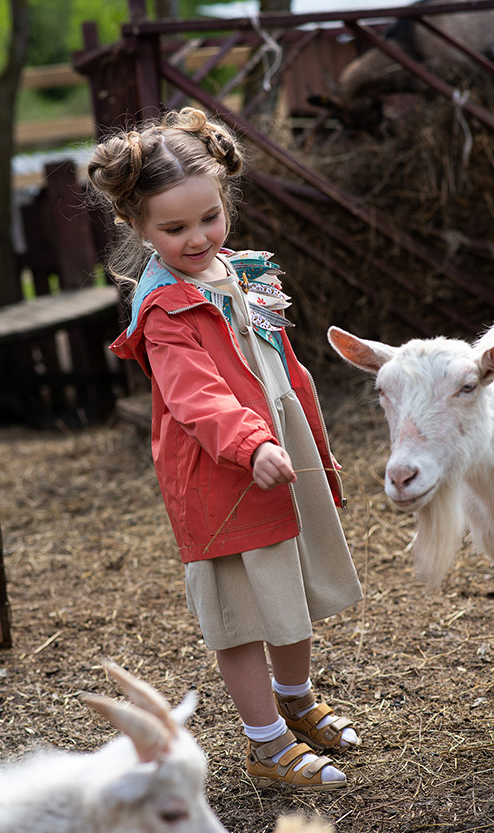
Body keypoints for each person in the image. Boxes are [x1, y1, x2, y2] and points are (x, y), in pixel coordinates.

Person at [87, 107, 363, 790]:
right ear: (137, 227)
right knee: (241, 612)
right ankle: (265, 743)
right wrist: (249, 443)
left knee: (288, 589)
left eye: (209, 217)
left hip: (275, 455)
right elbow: (195, 396)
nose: (197, 237)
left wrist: (300, 437)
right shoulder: (164, 308)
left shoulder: (241, 273)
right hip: (225, 474)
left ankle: (295, 700)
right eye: (174, 229)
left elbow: (277, 366)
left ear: (225, 201)